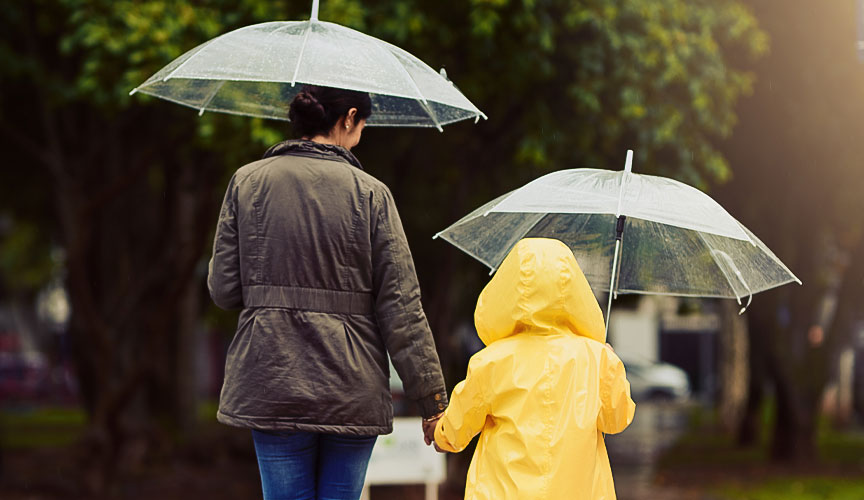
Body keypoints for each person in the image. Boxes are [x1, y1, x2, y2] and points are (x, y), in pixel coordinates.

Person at [208, 85, 448, 500]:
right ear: (349, 117)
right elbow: (402, 309)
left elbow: (224, 290)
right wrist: (432, 402)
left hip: (271, 378)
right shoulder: (372, 194)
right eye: (363, 125)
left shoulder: (246, 183)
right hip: (350, 387)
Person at [433, 237, 636, 500]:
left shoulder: (491, 361)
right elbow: (616, 421)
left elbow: (457, 429)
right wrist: (612, 369)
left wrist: (439, 434)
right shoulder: (597, 359)